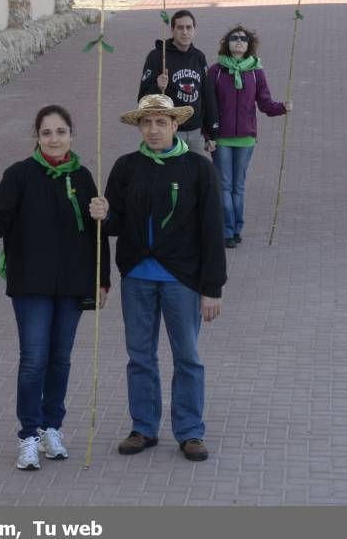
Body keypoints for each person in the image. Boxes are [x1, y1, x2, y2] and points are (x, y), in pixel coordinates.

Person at [0, 105, 110, 471]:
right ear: (37, 136)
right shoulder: (19, 175)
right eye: (47, 132)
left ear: (71, 135)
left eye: (60, 132)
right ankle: (29, 434)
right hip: (31, 281)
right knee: (33, 360)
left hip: (72, 282)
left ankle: (53, 427)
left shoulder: (82, 176)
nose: (54, 139)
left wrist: (102, 279)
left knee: (60, 359)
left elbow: (98, 233)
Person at [89, 94, 226, 462]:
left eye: (160, 122)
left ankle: (190, 431)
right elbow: (115, 225)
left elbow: (213, 231)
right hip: (136, 277)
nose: (153, 129)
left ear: (175, 125)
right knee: (140, 356)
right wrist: (102, 215)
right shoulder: (126, 167)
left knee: (187, 356)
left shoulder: (198, 169)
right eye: (146, 123)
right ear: (139, 126)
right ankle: (144, 427)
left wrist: (212, 288)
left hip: (182, 279)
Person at [208, 25, 292, 248]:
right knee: (224, 185)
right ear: (227, 43)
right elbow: (209, 105)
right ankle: (226, 230)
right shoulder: (215, 71)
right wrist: (209, 134)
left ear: (249, 45)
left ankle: (237, 229)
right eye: (234, 38)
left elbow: (264, 103)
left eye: (243, 39)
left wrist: (282, 107)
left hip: (246, 137)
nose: (238, 41)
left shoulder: (256, 72)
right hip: (222, 137)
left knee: (238, 186)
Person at [138, 9, 218, 157]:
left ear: (194, 30)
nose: (185, 32)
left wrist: (211, 132)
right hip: (170, 132)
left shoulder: (199, 57)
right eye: (180, 27)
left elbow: (207, 95)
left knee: (195, 177)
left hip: (196, 133)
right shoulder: (157, 56)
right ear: (172, 30)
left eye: (189, 27)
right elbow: (142, 99)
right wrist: (158, 87)